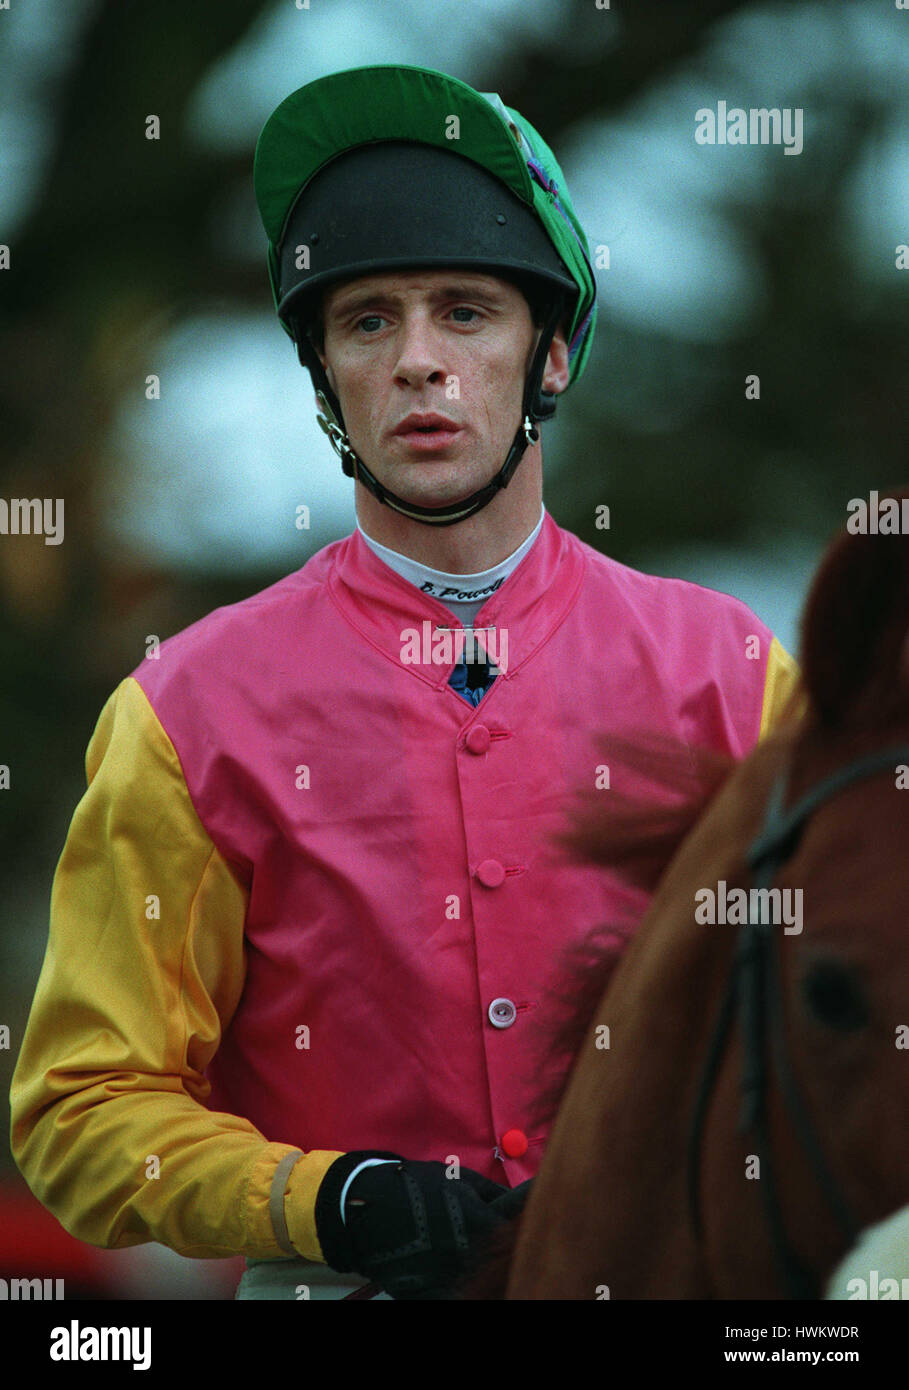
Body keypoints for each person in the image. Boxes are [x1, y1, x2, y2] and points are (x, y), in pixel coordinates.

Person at [10, 64, 803, 1301]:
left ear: (550, 357)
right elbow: (80, 1106)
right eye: (369, 320)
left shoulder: (739, 678)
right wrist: (330, 1198)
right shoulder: (183, 711)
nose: (419, 361)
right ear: (327, 376)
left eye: (466, 313)